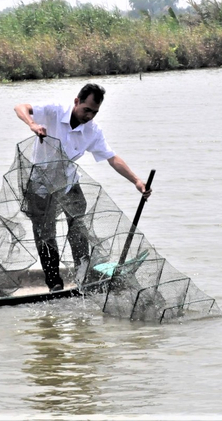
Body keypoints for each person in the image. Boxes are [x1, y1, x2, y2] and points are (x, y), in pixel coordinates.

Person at [14, 83, 151, 291]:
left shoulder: (92, 131)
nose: (89, 116)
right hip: (40, 186)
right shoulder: (55, 110)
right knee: (46, 234)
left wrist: (137, 181)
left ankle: (83, 277)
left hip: (69, 184)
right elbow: (20, 107)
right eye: (86, 110)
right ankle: (55, 284)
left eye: (94, 112)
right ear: (76, 101)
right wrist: (32, 124)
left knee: (79, 228)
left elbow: (112, 158)